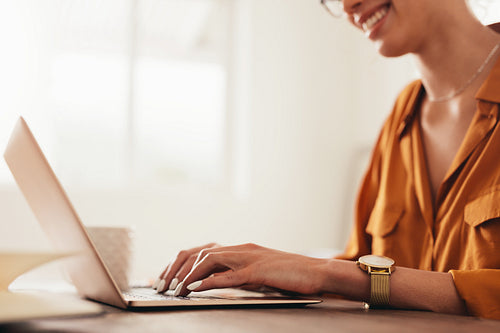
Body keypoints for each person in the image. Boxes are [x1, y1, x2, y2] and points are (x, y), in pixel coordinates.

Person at [152, 0, 500, 320]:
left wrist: (326, 273)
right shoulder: (403, 115)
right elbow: (361, 267)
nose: (349, 6)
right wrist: (264, 273)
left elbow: (360, 277)